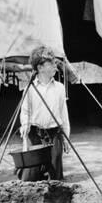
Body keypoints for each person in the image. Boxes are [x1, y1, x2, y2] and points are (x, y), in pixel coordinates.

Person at [19, 46, 70, 181]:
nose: (55, 66)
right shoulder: (29, 89)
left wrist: (66, 137)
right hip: (35, 133)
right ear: (40, 68)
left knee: (55, 177)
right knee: (30, 177)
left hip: (55, 133)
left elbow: (64, 114)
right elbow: (25, 112)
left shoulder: (59, 88)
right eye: (51, 63)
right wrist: (25, 126)